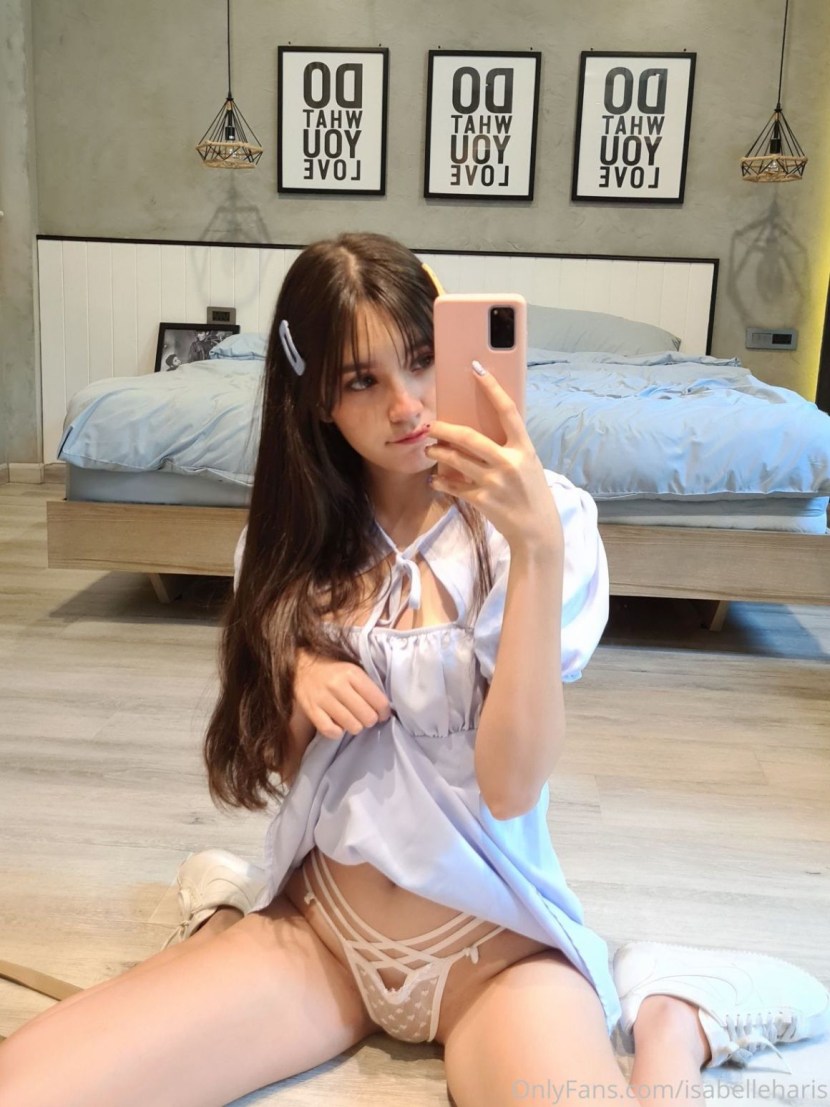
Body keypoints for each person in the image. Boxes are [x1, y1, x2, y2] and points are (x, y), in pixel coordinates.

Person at [0, 233, 827, 1107]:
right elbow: (272, 766)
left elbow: (511, 784)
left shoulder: (550, 525)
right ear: (318, 399)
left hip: (498, 954)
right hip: (320, 933)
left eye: (425, 359)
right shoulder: (288, 543)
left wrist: (537, 550)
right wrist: (295, 678)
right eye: (362, 380)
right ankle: (234, 911)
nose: (408, 405)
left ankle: (671, 1021)